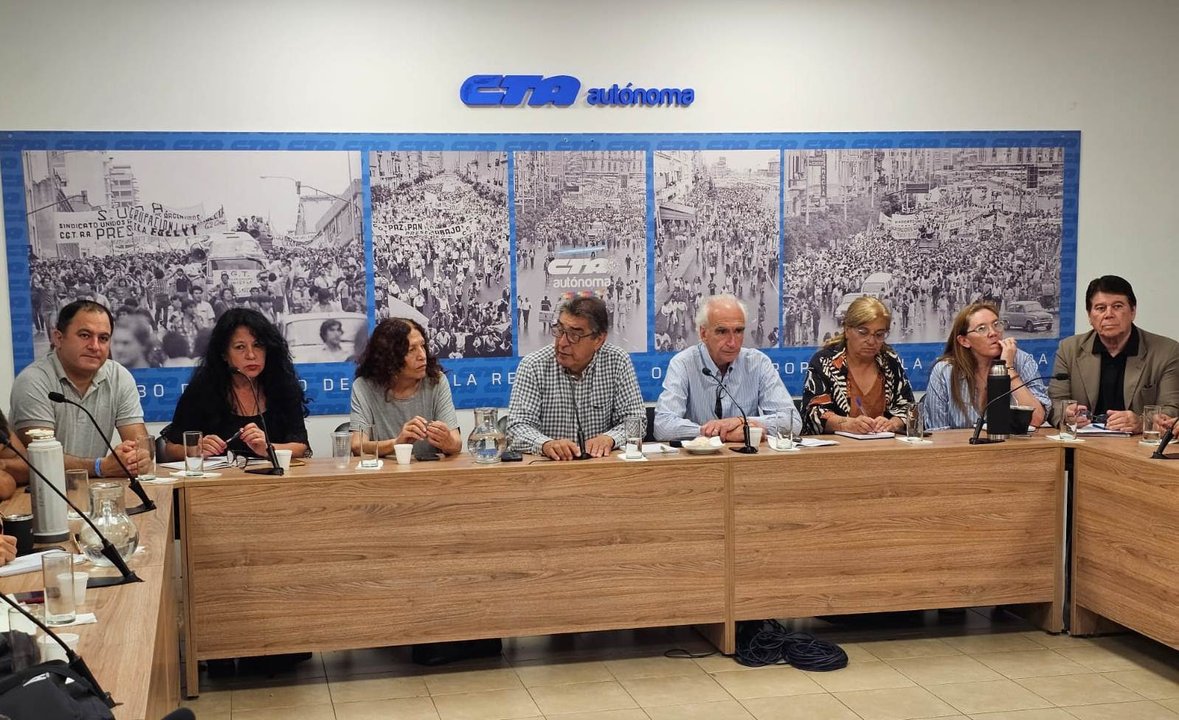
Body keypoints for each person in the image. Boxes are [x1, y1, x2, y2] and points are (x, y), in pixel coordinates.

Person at [10, 300, 146, 482]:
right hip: (39, 490)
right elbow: (40, 459)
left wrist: (136, 459)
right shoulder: (33, 380)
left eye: (103, 338)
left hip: (93, 487)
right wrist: (99, 467)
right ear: (58, 338)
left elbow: (141, 446)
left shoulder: (119, 376)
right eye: (84, 335)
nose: (95, 346)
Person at [506, 295, 644, 460]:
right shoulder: (533, 366)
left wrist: (610, 439)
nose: (562, 343)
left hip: (601, 466)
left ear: (598, 339)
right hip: (551, 468)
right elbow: (517, 427)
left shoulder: (617, 361)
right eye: (560, 330)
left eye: (574, 335)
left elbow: (636, 420)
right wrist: (546, 444)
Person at [162, 308, 309, 461]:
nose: (251, 355)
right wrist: (196, 449)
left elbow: (300, 446)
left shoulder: (282, 387)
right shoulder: (202, 391)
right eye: (240, 347)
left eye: (258, 345)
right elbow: (171, 449)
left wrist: (268, 448)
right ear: (224, 354)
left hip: (271, 475)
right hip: (218, 476)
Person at [654, 294, 801, 441]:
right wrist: (720, 433)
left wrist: (741, 421)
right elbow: (662, 427)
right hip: (701, 454)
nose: (732, 343)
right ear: (704, 334)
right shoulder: (683, 364)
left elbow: (793, 422)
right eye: (722, 332)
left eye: (738, 331)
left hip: (747, 455)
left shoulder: (758, 363)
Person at [1048, 275, 1179, 432]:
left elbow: (1172, 408)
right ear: (1089, 316)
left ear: (1133, 311)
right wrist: (1066, 415)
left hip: (1136, 443)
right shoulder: (1069, 349)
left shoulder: (1166, 351)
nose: (1108, 314)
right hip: (1084, 441)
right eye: (1100, 308)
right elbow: (1054, 403)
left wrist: (1141, 422)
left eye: (1117, 306)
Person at [922, 302, 1049, 430]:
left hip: (1009, 443)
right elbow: (938, 432)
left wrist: (1009, 368)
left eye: (996, 324)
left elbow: (1036, 419)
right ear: (964, 341)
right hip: (960, 443)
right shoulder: (945, 371)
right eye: (982, 328)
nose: (993, 333)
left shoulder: (1022, 361)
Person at [800, 296, 915, 435]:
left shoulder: (890, 362)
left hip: (885, 445)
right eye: (863, 333)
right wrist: (847, 424)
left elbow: (910, 409)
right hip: (838, 446)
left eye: (879, 335)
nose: (871, 341)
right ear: (847, 330)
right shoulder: (824, 361)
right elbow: (812, 414)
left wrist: (893, 423)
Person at [349, 318, 462, 456]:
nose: (422, 356)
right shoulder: (364, 386)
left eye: (422, 346)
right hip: (383, 469)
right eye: (411, 349)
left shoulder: (436, 381)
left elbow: (456, 444)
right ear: (390, 357)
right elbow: (357, 445)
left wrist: (448, 442)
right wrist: (397, 443)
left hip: (429, 469)